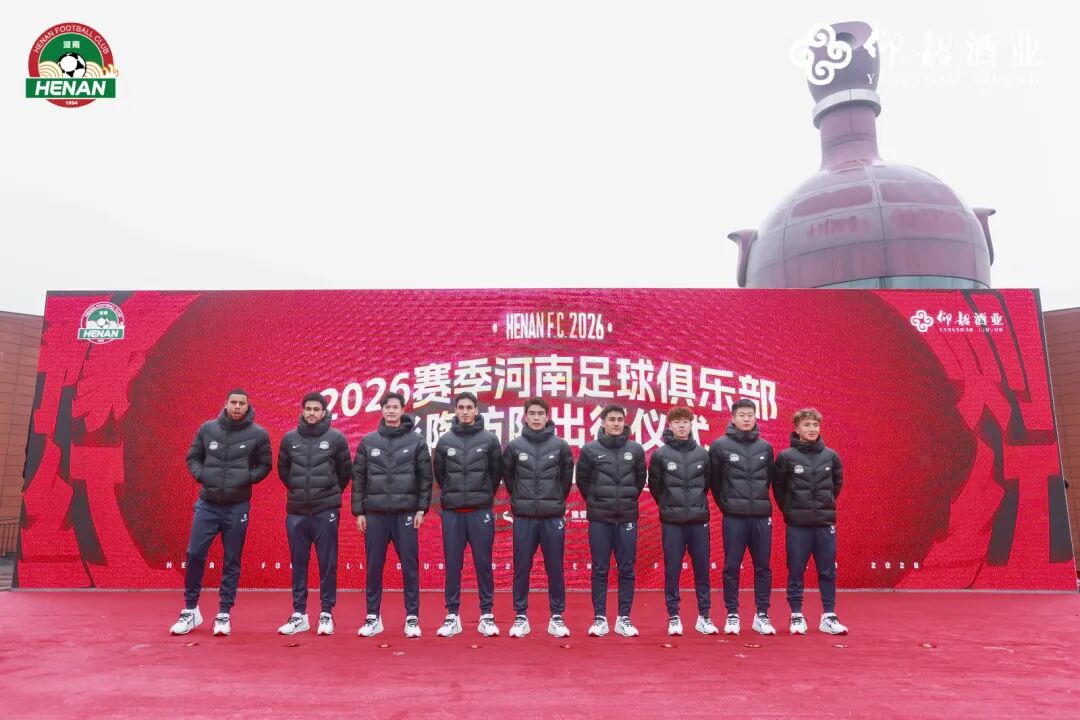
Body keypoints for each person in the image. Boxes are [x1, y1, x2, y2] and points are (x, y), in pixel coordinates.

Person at [170, 389, 272, 636]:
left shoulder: (258, 434)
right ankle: (190, 610)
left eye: (241, 403)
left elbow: (265, 465)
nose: (237, 406)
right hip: (207, 504)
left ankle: (224, 614)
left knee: (231, 558)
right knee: (195, 554)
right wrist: (202, 475)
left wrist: (246, 478)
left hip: (237, 506)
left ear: (247, 406)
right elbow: (193, 457)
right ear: (225, 404)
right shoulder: (208, 429)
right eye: (233, 402)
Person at [352, 392, 432, 638]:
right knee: (374, 567)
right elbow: (359, 479)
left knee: (409, 567)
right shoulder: (369, 441)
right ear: (382, 410)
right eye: (387, 407)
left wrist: (421, 509)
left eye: (395, 407)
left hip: (405, 512)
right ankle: (373, 617)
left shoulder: (416, 441)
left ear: (402, 410)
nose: (391, 411)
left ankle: (412, 618)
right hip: (375, 514)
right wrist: (359, 512)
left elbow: (425, 478)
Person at [275, 392, 352, 636]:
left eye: (316, 409)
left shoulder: (336, 438)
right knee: (299, 563)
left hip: (325, 509)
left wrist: (328, 493)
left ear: (324, 412)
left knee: (327, 563)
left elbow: (344, 473)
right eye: (308, 408)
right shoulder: (290, 439)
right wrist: (300, 491)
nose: (311, 413)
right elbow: (284, 471)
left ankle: (326, 613)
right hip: (297, 510)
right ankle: (299, 614)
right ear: (303, 410)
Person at [432, 392, 503, 637]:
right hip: (453, 513)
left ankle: (487, 615)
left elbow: (495, 475)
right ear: (455, 410)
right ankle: (452, 615)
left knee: (483, 564)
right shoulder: (445, 441)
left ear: (476, 410)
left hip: (480, 512)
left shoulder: (489, 440)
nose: (464, 412)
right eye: (460, 407)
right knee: (453, 565)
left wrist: (482, 495)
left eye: (469, 407)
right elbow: (440, 475)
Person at [502, 397, 574, 638]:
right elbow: (509, 479)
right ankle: (520, 616)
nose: (536, 417)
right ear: (525, 417)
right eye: (531, 413)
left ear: (547, 417)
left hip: (552, 517)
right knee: (522, 568)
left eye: (540, 413)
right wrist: (522, 500)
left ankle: (557, 617)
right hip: (524, 518)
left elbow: (565, 481)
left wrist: (553, 500)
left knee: (555, 568)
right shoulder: (514, 446)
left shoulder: (560, 446)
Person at [774, 407, 848, 636]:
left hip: (825, 523)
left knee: (827, 570)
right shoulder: (786, 457)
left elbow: (836, 485)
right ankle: (796, 615)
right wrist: (792, 511)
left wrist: (823, 505)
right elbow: (779, 489)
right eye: (807, 425)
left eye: (815, 425)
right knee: (796, 569)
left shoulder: (831, 456)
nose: (812, 429)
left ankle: (829, 616)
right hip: (798, 524)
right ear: (797, 429)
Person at [575, 404, 646, 637]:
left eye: (620, 420)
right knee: (600, 568)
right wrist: (597, 501)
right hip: (600, 518)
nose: (616, 423)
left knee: (626, 568)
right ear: (603, 423)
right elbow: (583, 482)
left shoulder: (635, 450)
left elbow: (639, 481)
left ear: (624, 423)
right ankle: (600, 619)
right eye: (612, 419)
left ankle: (624, 618)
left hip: (627, 517)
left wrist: (625, 500)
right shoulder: (590, 450)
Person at [709, 398, 778, 636]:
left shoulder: (765, 447)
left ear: (755, 417)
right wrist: (728, 505)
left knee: (763, 567)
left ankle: (762, 615)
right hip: (734, 518)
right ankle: (732, 614)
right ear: (733, 417)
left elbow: (768, 480)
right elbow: (715, 483)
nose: (747, 419)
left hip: (761, 516)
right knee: (731, 566)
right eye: (742, 415)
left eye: (750, 415)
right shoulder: (719, 446)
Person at [648, 407, 716, 636]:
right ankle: (673, 616)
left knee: (702, 569)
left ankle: (704, 616)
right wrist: (669, 505)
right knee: (673, 570)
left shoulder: (703, 455)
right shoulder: (660, 455)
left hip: (698, 520)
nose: (681, 426)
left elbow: (706, 484)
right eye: (677, 422)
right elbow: (656, 486)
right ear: (670, 426)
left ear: (691, 425)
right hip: (672, 522)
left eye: (685, 422)